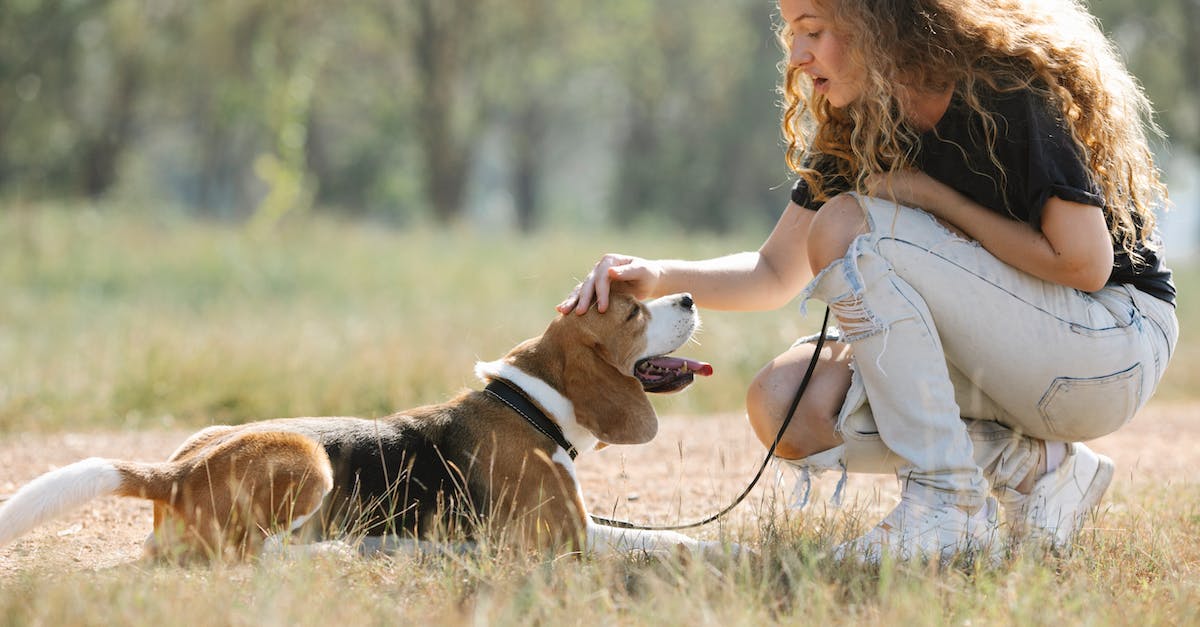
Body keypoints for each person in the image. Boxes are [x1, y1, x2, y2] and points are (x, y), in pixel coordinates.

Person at [558, 0, 1178, 563]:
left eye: (812, 31)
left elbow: (1084, 264)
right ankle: (1037, 470)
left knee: (850, 224)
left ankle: (949, 506)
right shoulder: (859, 120)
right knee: (786, 403)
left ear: (878, 20)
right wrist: (656, 274)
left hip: (1106, 347)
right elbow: (774, 271)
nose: (797, 57)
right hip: (1012, 356)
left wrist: (928, 196)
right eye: (791, 33)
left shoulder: (1001, 88)